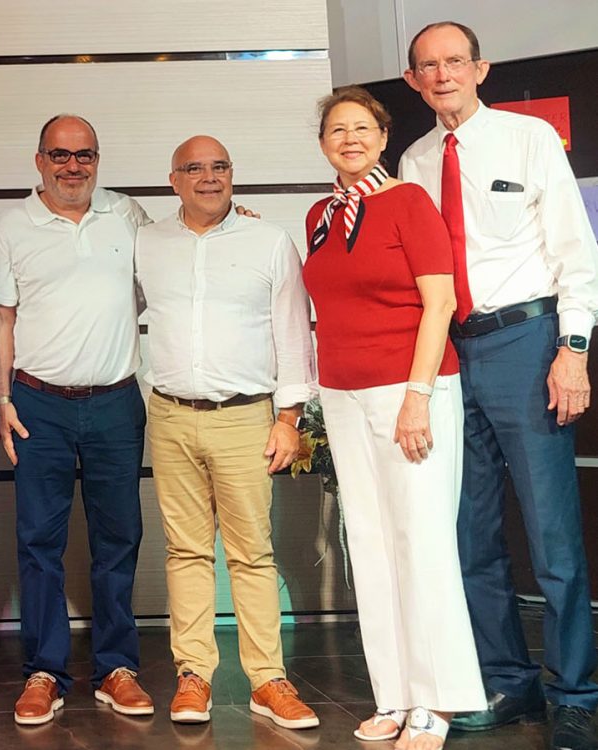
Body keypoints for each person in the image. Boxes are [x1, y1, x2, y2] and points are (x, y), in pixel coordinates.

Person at [399, 21, 598, 750]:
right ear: (414, 80)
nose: (444, 73)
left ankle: (575, 692)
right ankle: (508, 681)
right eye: (429, 65)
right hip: (451, 355)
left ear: (480, 68)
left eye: (456, 60)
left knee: (553, 537)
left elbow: (576, 252)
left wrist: (572, 349)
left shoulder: (529, 139)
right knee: (471, 535)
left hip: (526, 341)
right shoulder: (414, 161)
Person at [303, 85, 486, 749]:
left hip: (410, 391)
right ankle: (395, 694)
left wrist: (416, 395)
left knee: (422, 544)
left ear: (382, 139)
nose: (349, 139)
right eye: (336, 130)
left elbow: (438, 305)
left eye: (361, 128)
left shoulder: (409, 201)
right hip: (345, 398)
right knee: (374, 549)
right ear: (323, 144)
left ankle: (437, 701)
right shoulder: (321, 216)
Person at [135, 135, 319, 730]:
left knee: (251, 553)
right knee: (185, 551)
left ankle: (268, 680)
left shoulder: (269, 242)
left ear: (232, 175)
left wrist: (289, 418)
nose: (208, 177)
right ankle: (194, 676)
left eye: (219, 167)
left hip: (247, 417)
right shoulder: (148, 242)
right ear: (173, 179)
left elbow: (294, 333)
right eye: (194, 168)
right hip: (168, 415)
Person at [0, 114, 153, 725]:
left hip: (115, 401)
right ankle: (45, 671)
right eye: (60, 155)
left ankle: (117, 667)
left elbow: (168, 264)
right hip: (38, 405)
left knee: (119, 539)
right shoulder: (13, 226)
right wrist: (3, 400)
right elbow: (2, 319)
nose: (73, 166)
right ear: (39, 161)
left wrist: (233, 220)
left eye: (84, 155)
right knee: (39, 542)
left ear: (97, 160)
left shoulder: (127, 216)